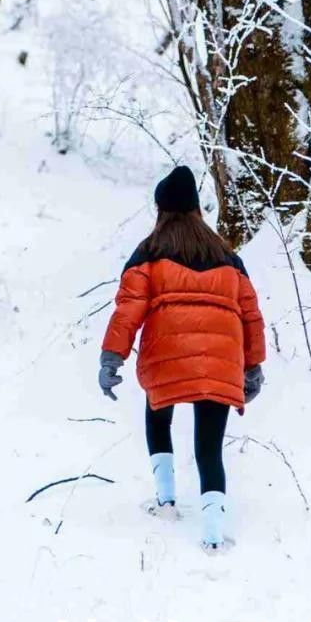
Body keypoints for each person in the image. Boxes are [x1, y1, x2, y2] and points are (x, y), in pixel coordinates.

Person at [98, 164, 266, 551]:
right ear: (196, 209)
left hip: (166, 356)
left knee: (158, 416)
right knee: (209, 447)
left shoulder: (150, 251)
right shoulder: (227, 256)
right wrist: (253, 366)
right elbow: (250, 313)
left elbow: (128, 309)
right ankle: (212, 535)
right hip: (221, 360)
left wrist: (112, 358)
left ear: (161, 210)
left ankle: (167, 501)